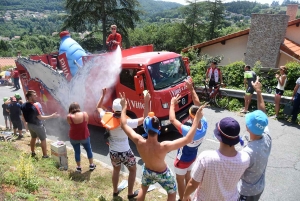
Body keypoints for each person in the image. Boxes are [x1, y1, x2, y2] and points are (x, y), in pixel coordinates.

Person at [120, 92, 204, 201]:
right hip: (163, 173)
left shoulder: (138, 140)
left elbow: (123, 124)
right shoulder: (164, 146)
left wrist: (124, 107)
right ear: (159, 128)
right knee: (172, 193)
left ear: (145, 128)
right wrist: (196, 119)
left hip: (148, 171)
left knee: (143, 189)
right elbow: (188, 139)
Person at [96, 88, 148, 200]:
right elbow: (144, 118)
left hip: (113, 151)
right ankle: (130, 193)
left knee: (116, 170)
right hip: (126, 152)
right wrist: (146, 101)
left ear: (113, 109)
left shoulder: (106, 117)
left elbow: (98, 108)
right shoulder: (127, 122)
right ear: (124, 108)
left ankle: (115, 192)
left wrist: (103, 95)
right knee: (133, 170)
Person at [182, 118, 250, 200]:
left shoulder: (206, 158)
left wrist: (185, 196)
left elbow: (193, 184)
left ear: (218, 137)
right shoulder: (245, 159)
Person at [169, 80, 208, 201]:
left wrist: (172, 104)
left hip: (182, 160)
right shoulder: (204, 125)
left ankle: (182, 198)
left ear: (191, 116)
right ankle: (188, 197)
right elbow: (198, 105)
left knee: (180, 180)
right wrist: (191, 89)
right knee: (187, 176)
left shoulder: (188, 130)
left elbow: (172, 119)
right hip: (192, 158)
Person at [238, 77, 272, 201]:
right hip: (259, 188)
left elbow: (236, 173)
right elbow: (262, 113)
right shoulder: (266, 136)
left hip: (246, 193)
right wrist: (258, 91)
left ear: (247, 128)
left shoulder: (247, 152)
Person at [21, 90, 59, 158]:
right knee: (43, 139)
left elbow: (23, 116)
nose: (36, 96)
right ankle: (45, 155)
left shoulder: (23, 105)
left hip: (30, 125)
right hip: (38, 125)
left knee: (33, 138)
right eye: (34, 95)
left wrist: (25, 124)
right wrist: (52, 116)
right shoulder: (35, 106)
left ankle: (32, 152)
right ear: (29, 97)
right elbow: (40, 117)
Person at [67, 102, 96, 172]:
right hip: (84, 136)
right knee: (88, 149)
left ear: (70, 109)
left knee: (77, 152)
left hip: (74, 137)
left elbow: (70, 124)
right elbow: (86, 123)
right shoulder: (84, 114)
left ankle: (79, 167)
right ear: (78, 108)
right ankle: (91, 165)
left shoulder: (69, 116)